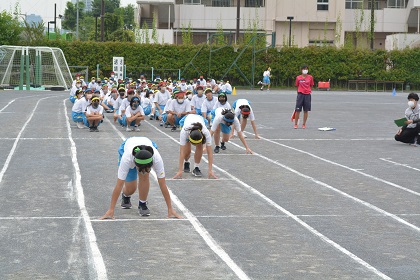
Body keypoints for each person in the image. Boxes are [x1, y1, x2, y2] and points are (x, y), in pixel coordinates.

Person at [100, 137, 182, 219]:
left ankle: (142, 203)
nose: (143, 171)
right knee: (131, 189)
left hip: (148, 146)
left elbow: (163, 184)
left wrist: (170, 208)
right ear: (135, 164)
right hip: (128, 146)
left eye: (147, 169)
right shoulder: (127, 159)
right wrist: (111, 209)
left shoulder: (156, 158)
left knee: (144, 176)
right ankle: (126, 196)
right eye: (140, 169)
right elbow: (119, 185)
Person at [173, 114, 217, 179]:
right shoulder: (184, 131)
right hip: (187, 119)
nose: (195, 145)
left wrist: (210, 170)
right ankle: (187, 161)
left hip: (199, 119)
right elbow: (181, 152)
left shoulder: (206, 132)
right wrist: (180, 170)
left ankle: (196, 167)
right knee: (187, 151)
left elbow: (210, 152)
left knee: (200, 147)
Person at [293, 64, 314, 129]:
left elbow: (311, 85)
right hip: (300, 94)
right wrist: (299, 93)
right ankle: (296, 124)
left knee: (306, 110)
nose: (305, 70)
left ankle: (304, 124)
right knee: (298, 110)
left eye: (306, 69)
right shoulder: (298, 77)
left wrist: (309, 91)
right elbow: (297, 85)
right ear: (301, 70)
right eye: (304, 69)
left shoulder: (310, 77)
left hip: (307, 95)